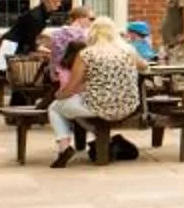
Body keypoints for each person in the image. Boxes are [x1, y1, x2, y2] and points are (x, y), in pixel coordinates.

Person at [46, 17, 144, 168]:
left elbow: (71, 87)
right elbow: (144, 66)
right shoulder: (128, 51)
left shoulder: (86, 54)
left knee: (54, 108)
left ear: (91, 34)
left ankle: (64, 148)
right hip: (128, 106)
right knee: (71, 104)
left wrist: (59, 96)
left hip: (98, 107)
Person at [0, 0, 66, 68]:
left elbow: (31, 30)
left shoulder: (44, 13)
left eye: (60, 1)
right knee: (10, 76)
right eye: (55, 1)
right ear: (45, 0)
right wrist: (49, 51)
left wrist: (52, 36)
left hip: (17, 44)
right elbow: (30, 40)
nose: (58, 4)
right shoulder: (36, 16)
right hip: (10, 46)